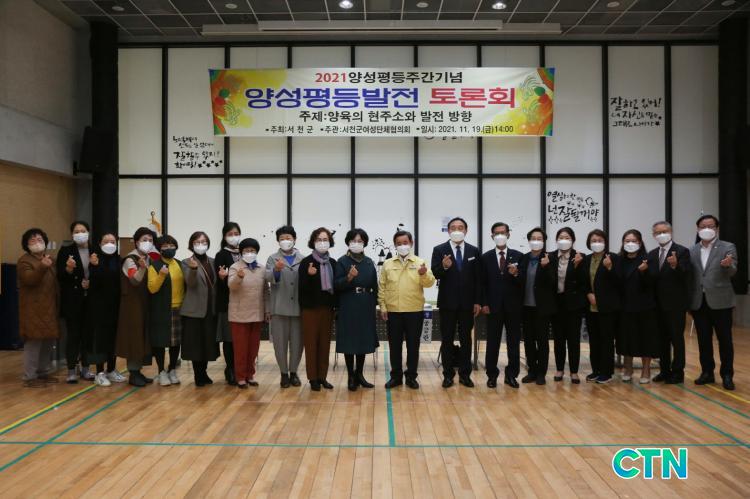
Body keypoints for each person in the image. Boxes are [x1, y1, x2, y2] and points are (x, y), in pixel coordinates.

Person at [379, 230, 435, 389]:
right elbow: (382, 286)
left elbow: (430, 283)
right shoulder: (388, 264)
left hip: (414, 311)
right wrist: (383, 306)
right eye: (399, 243)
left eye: (405, 243)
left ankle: (411, 377)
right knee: (394, 346)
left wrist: (424, 274)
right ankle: (395, 377)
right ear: (395, 245)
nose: (402, 246)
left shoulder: (420, 262)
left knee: (413, 346)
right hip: (393, 312)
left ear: (411, 243)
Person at [430, 217, 481, 389]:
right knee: (447, 340)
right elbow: (435, 273)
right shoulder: (439, 249)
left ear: (466, 230)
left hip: (467, 304)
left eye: (460, 227)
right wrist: (444, 267)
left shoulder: (474, 251)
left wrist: (477, 301)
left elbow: (478, 279)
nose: (457, 230)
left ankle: (465, 375)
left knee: (466, 340)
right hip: (447, 303)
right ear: (448, 230)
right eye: (453, 227)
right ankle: (448, 375)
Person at [689, 215, 738, 390]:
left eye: (710, 226)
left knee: (725, 340)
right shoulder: (692, 250)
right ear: (697, 229)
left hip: (721, 302)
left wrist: (727, 265)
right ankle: (707, 372)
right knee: (703, 340)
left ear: (717, 228)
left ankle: (727, 374)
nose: (707, 229)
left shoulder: (727, 247)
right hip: (699, 302)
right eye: (703, 226)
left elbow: (733, 271)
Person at [334, 228, 379, 391]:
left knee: (363, 339)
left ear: (364, 243)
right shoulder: (342, 261)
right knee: (349, 340)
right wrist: (349, 277)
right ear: (348, 242)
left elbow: (375, 285)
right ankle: (351, 376)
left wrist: (375, 303)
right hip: (348, 303)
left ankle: (360, 374)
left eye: (360, 241)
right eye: (353, 241)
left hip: (366, 304)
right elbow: (336, 285)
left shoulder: (369, 262)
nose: (356, 244)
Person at [480, 222, 523, 389]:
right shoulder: (485, 257)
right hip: (493, 307)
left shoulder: (519, 256)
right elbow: (482, 283)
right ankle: (491, 375)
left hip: (513, 307)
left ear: (508, 234)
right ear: (492, 236)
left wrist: (516, 273)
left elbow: (524, 282)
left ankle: (511, 375)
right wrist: (484, 303)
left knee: (513, 343)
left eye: (503, 232)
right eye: (496, 233)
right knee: (492, 343)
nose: (500, 236)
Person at [647, 221, 690, 384]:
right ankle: (664, 371)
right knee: (661, 340)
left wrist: (675, 266)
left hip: (675, 305)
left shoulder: (682, 251)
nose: (661, 234)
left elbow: (686, 275)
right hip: (656, 305)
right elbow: (651, 279)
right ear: (654, 235)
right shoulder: (652, 254)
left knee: (676, 339)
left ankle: (678, 372)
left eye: (664, 231)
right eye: (658, 232)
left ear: (671, 232)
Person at [18, 228, 59, 387]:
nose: (37, 242)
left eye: (40, 239)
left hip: (50, 307)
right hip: (32, 309)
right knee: (33, 343)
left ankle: (43, 372)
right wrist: (42, 266)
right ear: (26, 245)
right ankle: (29, 377)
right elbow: (29, 279)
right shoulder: (24, 261)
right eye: (33, 240)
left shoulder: (50, 259)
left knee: (47, 341)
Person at [616, 229, 659, 384]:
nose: (630, 244)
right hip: (624, 306)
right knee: (626, 338)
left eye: (634, 241)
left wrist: (644, 272)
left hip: (645, 307)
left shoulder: (648, 260)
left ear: (640, 243)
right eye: (627, 241)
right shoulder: (618, 260)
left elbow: (653, 283)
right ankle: (628, 368)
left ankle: (646, 370)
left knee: (645, 339)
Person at [116, 227, 156, 387]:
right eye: (144, 240)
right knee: (134, 337)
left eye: (150, 240)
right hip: (132, 304)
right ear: (137, 241)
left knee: (143, 337)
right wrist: (142, 268)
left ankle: (138, 371)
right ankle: (133, 373)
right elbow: (134, 280)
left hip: (145, 302)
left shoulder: (149, 258)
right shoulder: (130, 259)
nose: (148, 243)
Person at [265, 225, 305, 388]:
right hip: (279, 308)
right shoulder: (272, 258)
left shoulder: (303, 259)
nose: (285, 241)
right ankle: (283, 373)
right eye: (282, 238)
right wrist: (276, 270)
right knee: (279, 345)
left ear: (294, 239)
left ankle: (294, 372)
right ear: (278, 241)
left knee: (297, 343)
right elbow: (267, 277)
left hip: (298, 308)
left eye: (288, 238)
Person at [228, 238, 270, 389]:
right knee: (241, 348)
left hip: (256, 313)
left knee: (253, 348)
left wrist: (267, 310)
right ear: (241, 252)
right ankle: (240, 377)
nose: (249, 253)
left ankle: (250, 375)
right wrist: (239, 277)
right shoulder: (235, 267)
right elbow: (231, 286)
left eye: (252, 250)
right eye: (246, 250)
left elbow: (266, 291)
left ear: (257, 252)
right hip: (239, 314)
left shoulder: (262, 268)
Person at [299, 227, 338, 391]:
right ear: (313, 242)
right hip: (310, 310)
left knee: (324, 344)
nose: (322, 243)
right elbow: (301, 288)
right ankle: (313, 378)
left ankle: (322, 377)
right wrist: (309, 275)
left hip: (327, 309)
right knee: (311, 344)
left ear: (330, 242)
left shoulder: (332, 263)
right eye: (319, 240)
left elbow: (336, 287)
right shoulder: (306, 262)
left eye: (325, 240)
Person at [56, 221, 95, 383]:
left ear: (88, 232)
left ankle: (86, 368)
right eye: (76, 231)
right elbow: (60, 276)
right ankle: (71, 369)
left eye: (83, 230)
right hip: (73, 300)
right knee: (73, 335)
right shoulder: (66, 251)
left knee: (88, 335)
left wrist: (91, 282)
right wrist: (69, 269)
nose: (80, 233)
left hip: (90, 300)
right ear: (72, 234)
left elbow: (102, 274)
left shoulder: (95, 250)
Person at [181, 231, 220, 387]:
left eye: (204, 242)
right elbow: (190, 283)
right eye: (197, 242)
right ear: (191, 245)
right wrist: (193, 269)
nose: (200, 245)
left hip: (211, 309)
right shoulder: (186, 262)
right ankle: (198, 374)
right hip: (194, 310)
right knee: (195, 344)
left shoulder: (213, 261)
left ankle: (204, 372)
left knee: (207, 343)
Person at [518, 228, 557, 385]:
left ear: (544, 241)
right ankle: (532, 371)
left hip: (542, 307)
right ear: (529, 241)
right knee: (528, 341)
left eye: (539, 238)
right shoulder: (524, 258)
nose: (536, 241)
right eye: (533, 238)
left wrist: (546, 267)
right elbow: (520, 280)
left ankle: (541, 372)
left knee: (542, 341)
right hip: (526, 306)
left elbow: (554, 282)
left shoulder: (550, 258)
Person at [549, 227, 587, 384]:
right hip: (556, 303)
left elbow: (584, 282)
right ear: (556, 240)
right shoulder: (550, 256)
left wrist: (577, 266)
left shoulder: (580, 257)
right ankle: (559, 369)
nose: (564, 240)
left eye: (567, 238)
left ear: (573, 240)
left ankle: (574, 371)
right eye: (561, 237)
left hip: (573, 304)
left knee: (573, 339)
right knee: (558, 338)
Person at [87, 232, 125, 386]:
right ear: (100, 244)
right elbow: (93, 282)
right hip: (99, 306)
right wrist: (95, 266)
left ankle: (111, 369)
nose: (110, 244)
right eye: (106, 241)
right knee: (100, 339)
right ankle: (99, 373)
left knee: (113, 338)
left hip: (116, 305)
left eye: (113, 241)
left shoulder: (119, 260)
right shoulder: (95, 259)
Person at [583, 229, 621, 384]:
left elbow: (619, 281)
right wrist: (588, 293)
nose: (596, 243)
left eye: (599, 240)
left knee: (606, 340)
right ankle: (596, 370)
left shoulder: (613, 258)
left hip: (608, 307)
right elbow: (583, 280)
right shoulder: (586, 259)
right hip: (591, 307)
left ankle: (606, 372)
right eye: (593, 241)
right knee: (594, 340)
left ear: (605, 242)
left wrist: (610, 268)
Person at [147, 235, 184, 387]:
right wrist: (162, 275)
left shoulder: (180, 264)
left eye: (171, 246)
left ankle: (172, 369)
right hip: (161, 309)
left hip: (178, 308)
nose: (169, 248)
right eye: (165, 246)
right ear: (159, 249)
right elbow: (152, 288)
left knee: (176, 342)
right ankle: (161, 371)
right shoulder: (154, 266)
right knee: (160, 341)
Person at [214, 222, 242, 385]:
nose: (233, 237)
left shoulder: (245, 252)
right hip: (227, 303)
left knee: (241, 338)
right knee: (229, 338)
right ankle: (230, 369)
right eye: (230, 234)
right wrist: (222, 278)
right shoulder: (221, 255)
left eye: (236, 233)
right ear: (224, 237)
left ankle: (242, 369)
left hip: (244, 302)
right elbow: (219, 281)